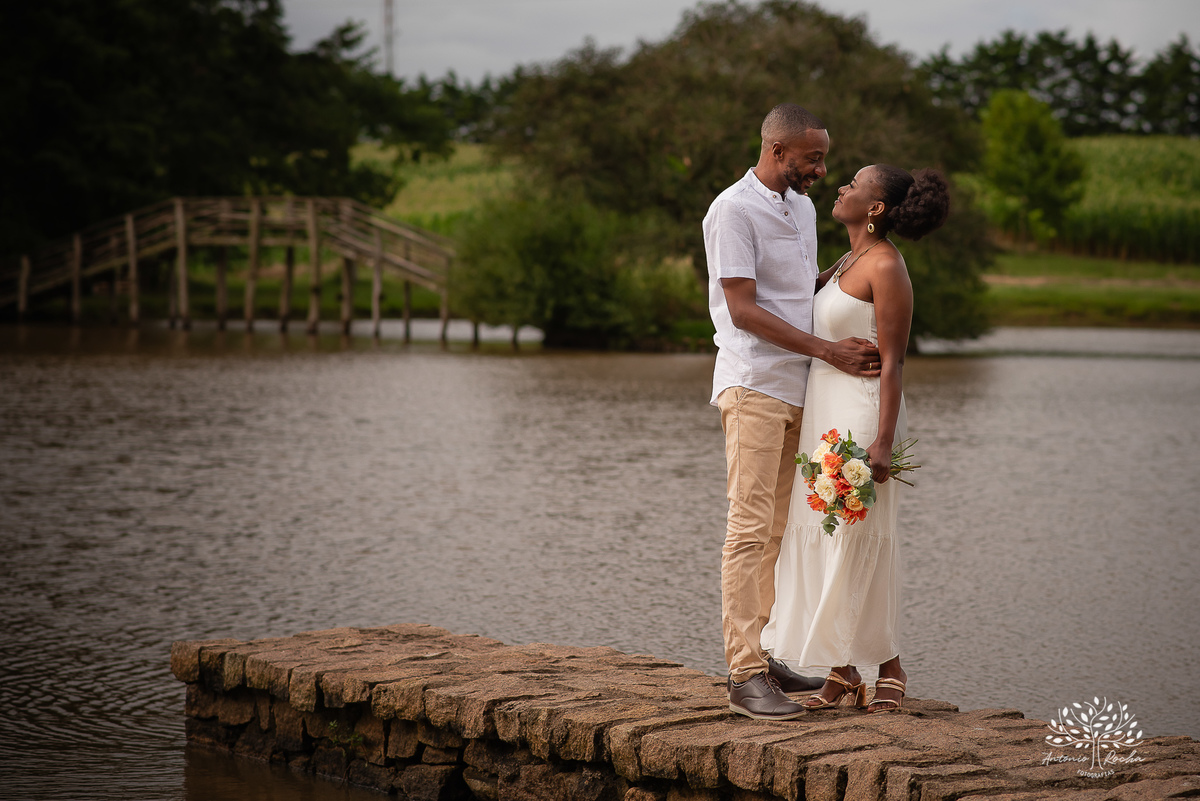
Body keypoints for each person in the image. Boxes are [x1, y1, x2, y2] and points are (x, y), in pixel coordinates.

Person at [704, 103, 881, 721]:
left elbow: (794, 293)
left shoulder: (801, 208)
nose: (821, 170)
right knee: (749, 529)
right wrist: (828, 349)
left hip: (799, 388)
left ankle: (766, 654)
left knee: (779, 532)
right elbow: (744, 310)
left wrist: (850, 268)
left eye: (824, 159)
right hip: (753, 385)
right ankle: (743, 674)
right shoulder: (732, 210)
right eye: (813, 158)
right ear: (777, 150)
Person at [760, 163, 951, 714]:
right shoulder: (848, 259)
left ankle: (890, 666)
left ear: (875, 207)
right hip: (824, 411)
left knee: (858, 540)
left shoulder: (886, 265)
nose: (842, 187)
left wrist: (883, 442)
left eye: (855, 184)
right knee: (828, 539)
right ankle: (843, 671)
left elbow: (894, 362)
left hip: (863, 417)